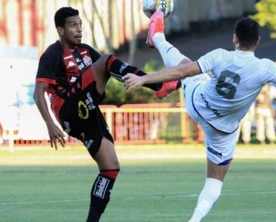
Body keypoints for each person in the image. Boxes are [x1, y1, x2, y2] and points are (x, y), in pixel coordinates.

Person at [123, 12, 276, 221]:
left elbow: (183, 70)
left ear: (234, 38)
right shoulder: (265, 67)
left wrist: (144, 79)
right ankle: (194, 220)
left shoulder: (220, 55)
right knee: (215, 181)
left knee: (186, 65)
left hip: (198, 104)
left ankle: (157, 38)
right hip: (222, 130)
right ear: (258, 40)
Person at [33, 7, 179, 221]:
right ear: (60, 30)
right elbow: (38, 93)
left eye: (80, 24)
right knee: (107, 60)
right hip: (69, 110)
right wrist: (49, 124)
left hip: (88, 112)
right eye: (73, 25)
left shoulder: (84, 50)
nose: (79, 29)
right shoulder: (52, 54)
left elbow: (107, 72)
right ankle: (159, 86)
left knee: (110, 168)